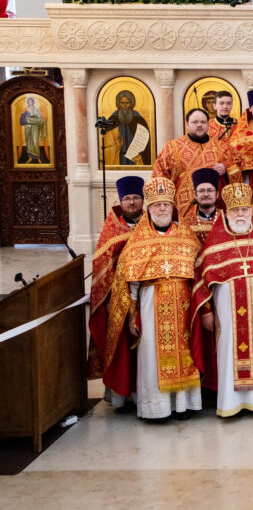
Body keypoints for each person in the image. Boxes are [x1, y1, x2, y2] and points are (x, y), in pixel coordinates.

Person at [104, 178, 203, 420]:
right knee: (151, 355)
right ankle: (156, 408)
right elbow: (130, 282)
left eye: (166, 205)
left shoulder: (187, 235)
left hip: (183, 306)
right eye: (157, 205)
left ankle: (183, 406)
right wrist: (132, 315)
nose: (161, 209)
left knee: (185, 353)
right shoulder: (139, 239)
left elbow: (199, 271)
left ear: (172, 207)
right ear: (149, 208)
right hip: (150, 305)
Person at [192, 183, 253, 417]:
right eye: (235, 211)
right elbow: (202, 280)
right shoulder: (215, 242)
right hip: (229, 314)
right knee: (230, 351)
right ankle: (232, 403)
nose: (241, 214)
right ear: (227, 213)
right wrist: (207, 312)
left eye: (244, 210)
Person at [89, 176, 145, 411]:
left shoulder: (151, 224)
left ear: (142, 200)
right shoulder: (112, 227)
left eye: (136, 198)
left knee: (145, 347)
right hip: (119, 297)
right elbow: (102, 264)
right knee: (122, 347)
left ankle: (144, 394)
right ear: (120, 201)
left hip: (148, 293)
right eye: (127, 198)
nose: (131, 202)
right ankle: (122, 395)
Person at [152, 108, 241, 213]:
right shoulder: (172, 147)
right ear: (187, 124)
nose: (199, 125)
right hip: (183, 208)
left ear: (208, 124)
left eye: (203, 122)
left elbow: (238, 169)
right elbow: (159, 177)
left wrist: (226, 169)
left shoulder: (222, 147)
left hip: (216, 208)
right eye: (195, 122)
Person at [101, 89, 151, 166]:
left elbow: (146, 142)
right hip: (118, 156)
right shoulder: (113, 119)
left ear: (131, 103)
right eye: (122, 103)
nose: (124, 106)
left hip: (136, 157)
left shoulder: (139, 119)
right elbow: (106, 144)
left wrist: (140, 152)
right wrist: (116, 146)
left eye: (127, 103)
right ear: (118, 103)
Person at [179, 167, 222, 243]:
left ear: (217, 194)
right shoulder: (186, 222)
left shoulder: (225, 218)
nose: (206, 194)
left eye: (210, 190)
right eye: (201, 191)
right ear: (195, 195)